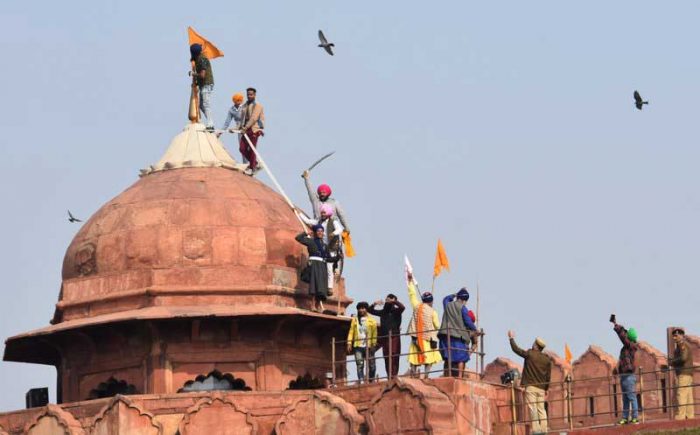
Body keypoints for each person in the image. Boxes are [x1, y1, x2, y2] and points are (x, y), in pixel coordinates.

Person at [508, 330, 551, 435]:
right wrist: (546, 388)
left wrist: (511, 338)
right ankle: (544, 430)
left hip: (531, 387)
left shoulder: (530, 354)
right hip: (541, 388)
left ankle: (536, 431)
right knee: (542, 409)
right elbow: (548, 376)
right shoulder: (546, 360)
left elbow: (516, 350)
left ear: (536, 346)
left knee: (533, 408)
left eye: (534, 343)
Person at [297, 204, 343, 295]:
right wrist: (299, 214)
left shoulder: (333, 221)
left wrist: (333, 234)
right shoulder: (319, 221)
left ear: (328, 213)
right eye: (321, 212)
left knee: (329, 268)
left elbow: (339, 229)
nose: (322, 214)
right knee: (324, 268)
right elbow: (308, 221)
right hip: (321, 245)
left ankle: (329, 287)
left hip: (330, 246)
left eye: (324, 212)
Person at [406, 272, 442, 378]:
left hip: (416, 338)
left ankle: (413, 374)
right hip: (427, 339)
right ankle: (426, 376)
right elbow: (437, 325)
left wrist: (410, 281)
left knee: (414, 358)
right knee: (429, 357)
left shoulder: (417, 306)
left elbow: (412, 294)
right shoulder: (433, 311)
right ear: (431, 301)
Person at [438, 288, 477, 378]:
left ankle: (447, 376)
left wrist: (455, 294)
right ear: (465, 300)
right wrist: (475, 329)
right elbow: (468, 321)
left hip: (445, 336)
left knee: (448, 357)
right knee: (461, 358)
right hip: (457, 338)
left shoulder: (448, 305)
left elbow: (445, 299)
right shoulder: (463, 308)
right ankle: (459, 377)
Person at [295, 225, 331, 312]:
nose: (320, 233)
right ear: (315, 232)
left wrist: (335, 264)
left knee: (321, 287)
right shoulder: (311, 241)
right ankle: (312, 305)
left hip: (322, 266)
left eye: (321, 231)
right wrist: (306, 233)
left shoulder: (325, 246)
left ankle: (319, 306)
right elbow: (298, 238)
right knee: (314, 285)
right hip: (314, 265)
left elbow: (328, 257)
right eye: (318, 231)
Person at [369, 294, 405, 379]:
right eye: (386, 299)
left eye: (389, 299)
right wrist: (375, 303)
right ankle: (389, 376)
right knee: (386, 357)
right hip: (385, 338)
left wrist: (394, 301)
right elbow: (370, 310)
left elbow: (402, 307)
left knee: (394, 356)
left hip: (394, 336)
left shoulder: (397, 311)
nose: (387, 301)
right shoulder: (383, 312)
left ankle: (394, 376)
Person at [612, 320, 639, 425]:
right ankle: (625, 418)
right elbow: (622, 361)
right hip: (624, 376)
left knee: (631, 397)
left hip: (628, 376)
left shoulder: (630, 345)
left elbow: (623, 337)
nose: (626, 335)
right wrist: (616, 370)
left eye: (627, 334)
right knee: (626, 398)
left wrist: (615, 324)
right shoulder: (626, 348)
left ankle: (635, 417)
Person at [346, 302, 378, 384]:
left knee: (372, 365)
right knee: (359, 364)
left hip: (369, 345)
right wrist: (349, 343)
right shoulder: (355, 320)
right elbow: (351, 332)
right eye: (360, 308)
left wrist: (373, 344)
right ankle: (361, 380)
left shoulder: (372, 320)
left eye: (363, 308)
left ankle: (371, 380)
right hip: (358, 345)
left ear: (366, 309)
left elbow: (375, 333)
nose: (361, 310)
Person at [669, 328, 695, 420]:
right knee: (688, 395)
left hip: (683, 373)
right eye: (674, 336)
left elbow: (683, 358)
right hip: (688, 373)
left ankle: (680, 416)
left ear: (682, 336)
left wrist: (672, 362)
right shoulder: (684, 345)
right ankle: (689, 415)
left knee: (681, 394)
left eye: (676, 336)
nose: (674, 338)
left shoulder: (682, 345)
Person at [239, 87, 265, 175]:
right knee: (242, 148)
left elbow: (253, 118)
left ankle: (252, 167)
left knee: (252, 149)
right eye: (248, 94)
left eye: (251, 94)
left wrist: (245, 128)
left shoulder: (258, 106)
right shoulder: (245, 105)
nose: (249, 96)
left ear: (254, 95)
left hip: (254, 129)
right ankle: (255, 163)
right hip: (246, 129)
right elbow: (242, 120)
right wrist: (235, 129)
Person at [190, 44, 215, 130]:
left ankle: (210, 124)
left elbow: (203, 75)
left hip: (206, 84)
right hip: (203, 84)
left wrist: (194, 74)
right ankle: (210, 121)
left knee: (206, 104)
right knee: (201, 105)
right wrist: (195, 83)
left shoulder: (202, 59)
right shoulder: (198, 59)